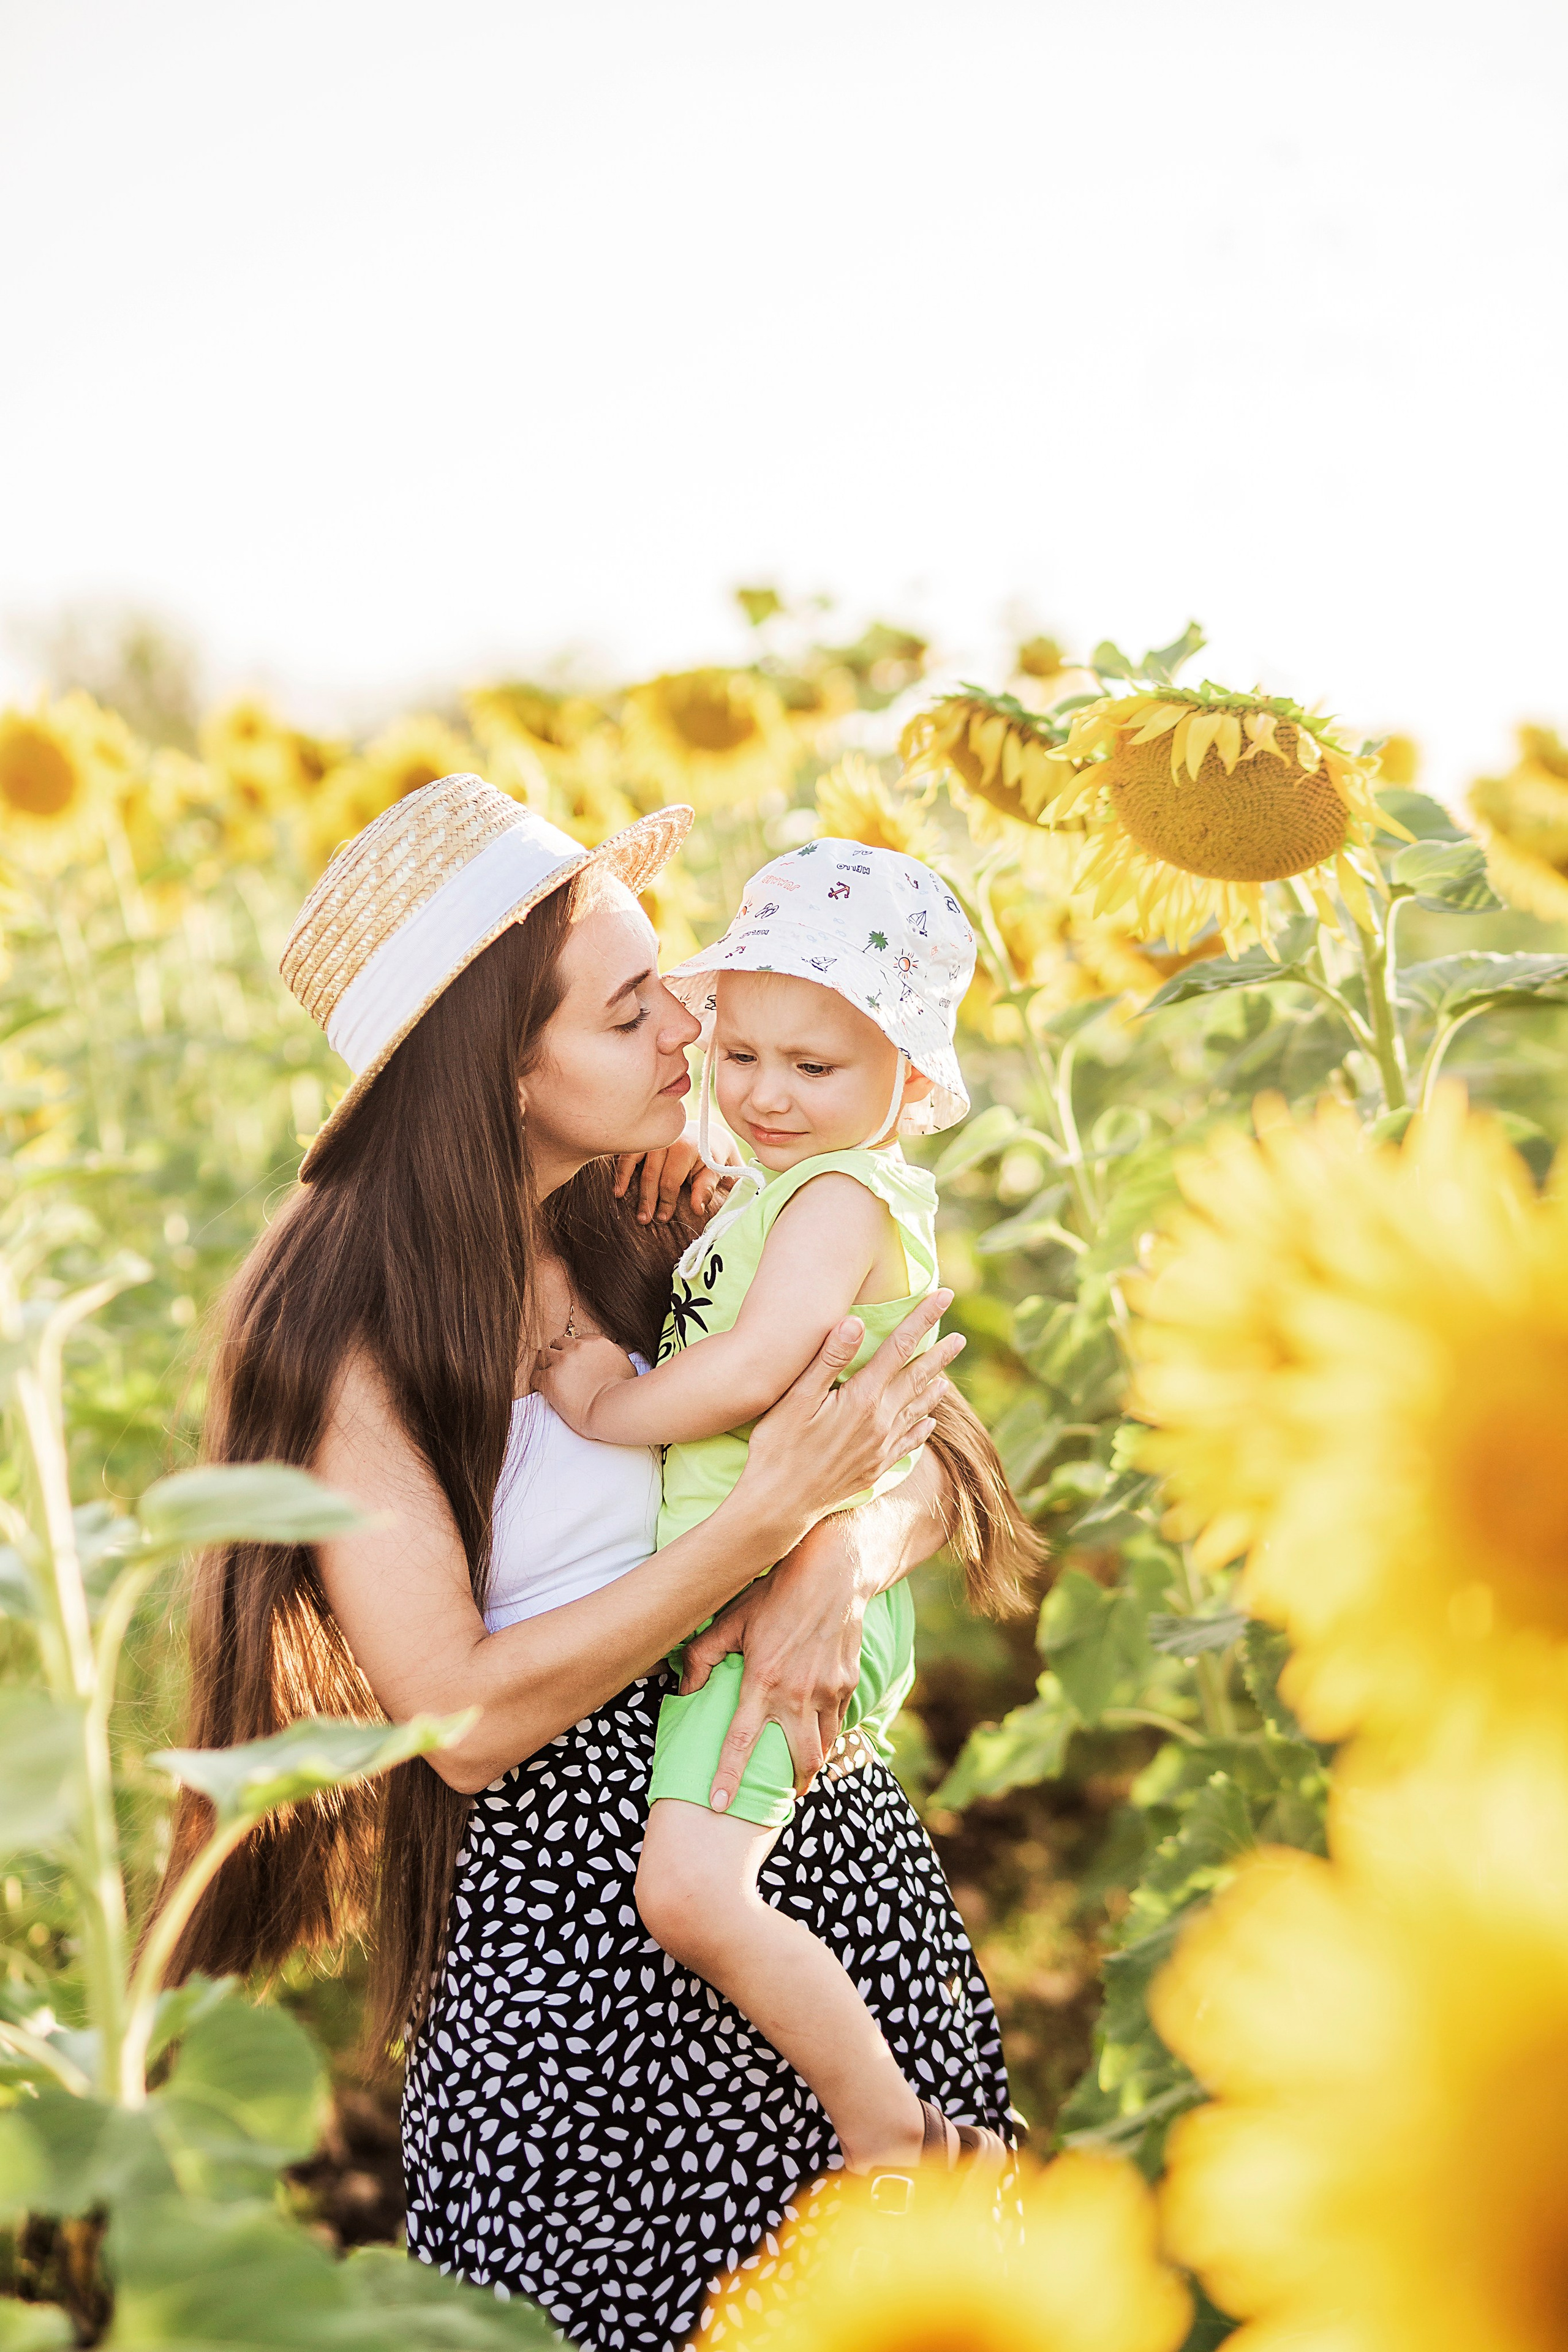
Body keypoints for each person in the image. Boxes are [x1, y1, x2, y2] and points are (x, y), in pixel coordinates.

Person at [156, 774, 1036, 2352]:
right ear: (499, 1066)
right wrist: (759, 1531)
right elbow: (468, 1722)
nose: (692, 1040)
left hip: (813, 1880)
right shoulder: (339, 1332)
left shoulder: (670, 1210)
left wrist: (837, 1548)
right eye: (635, 1012)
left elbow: (939, 1455)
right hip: (575, 1979)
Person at [538, 839, 1014, 2182]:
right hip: (734, 1598)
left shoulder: (844, 1196)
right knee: (699, 1885)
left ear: (907, 1084)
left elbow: (753, 1370)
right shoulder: (770, 1189)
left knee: (689, 1893)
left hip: (771, 1622)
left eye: (814, 1070)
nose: (761, 1095)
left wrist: (600, 1403)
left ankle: (888, 2134)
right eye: (737, 1053)